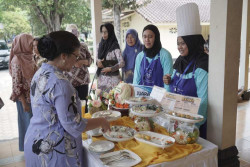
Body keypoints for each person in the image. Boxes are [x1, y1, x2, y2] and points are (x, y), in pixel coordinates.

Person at [24, 31, 110, 167]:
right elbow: (74, 125)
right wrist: (102, 121)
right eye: (76, 56)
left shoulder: (40, 72)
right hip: (54, 150)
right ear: (64, 56)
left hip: (36, 140)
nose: (77, 60)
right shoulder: (61, 84)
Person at [163, 3, 208, 139]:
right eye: (178, 43)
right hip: (175, 120)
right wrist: (169, 81)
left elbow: (203, 101)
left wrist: (190, 128)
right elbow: (173, 89)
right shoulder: (180, 61)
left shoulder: (202, 64)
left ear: (192, 42)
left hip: (192, 126)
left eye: (183, 43)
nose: (179, 47)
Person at [9, 34, 37, 151]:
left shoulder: (30, 57)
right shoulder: (17, 60)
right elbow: (16, 85)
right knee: (27, 125)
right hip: (24, 100)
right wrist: (24, 103)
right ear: (23, 44)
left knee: (33, 125)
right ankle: (28, 148)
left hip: (33, 98)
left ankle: (34, 147)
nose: (32, 47)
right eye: (30, 44)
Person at [133, 24, 173, 90]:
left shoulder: (165, 55)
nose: (147, 40)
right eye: (144, 37)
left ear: (156, 38)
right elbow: (136, 80)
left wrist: (166, 99)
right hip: (143, 97)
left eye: (150, 37)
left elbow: (167, 83)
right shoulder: (140, 56)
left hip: (160, 97)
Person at [64, 24, 93, 113]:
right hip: (69, 81)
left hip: (83, 81)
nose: (74, 35)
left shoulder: (83, 46)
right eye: (71, 33)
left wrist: (82, 62)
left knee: (84, 105)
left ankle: (85, 124)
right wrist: (73, 63)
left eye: (75, 33)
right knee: (71, 106)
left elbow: (90, 60)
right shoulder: (64, 47)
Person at [96, 23, 124, 92]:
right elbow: (97, 60)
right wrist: (98, 63)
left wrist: (111, 68)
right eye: (102, 32)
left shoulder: (115, 46)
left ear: (110, 32)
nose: (103, 34)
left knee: (113, 101)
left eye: (106, 32)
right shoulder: (99, 45)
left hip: (113, 81)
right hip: (102, 80)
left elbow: (122, 63)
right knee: (101, 101)